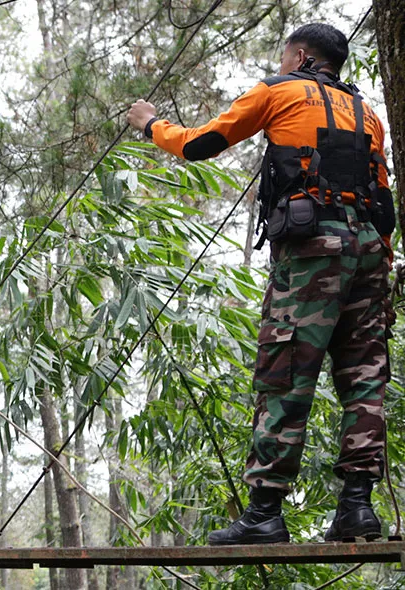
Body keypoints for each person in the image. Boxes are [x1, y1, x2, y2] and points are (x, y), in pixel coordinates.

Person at [126, 23, 393, 545]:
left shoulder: (279, 89)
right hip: (369, 254)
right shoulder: (370, 116)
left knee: (286, 373)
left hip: (313, 252)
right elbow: (381, 196)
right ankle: (357, 509)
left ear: (298, 54)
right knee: (365, 378)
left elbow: (201, 144)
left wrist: (150, 124)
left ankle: (265, 512)